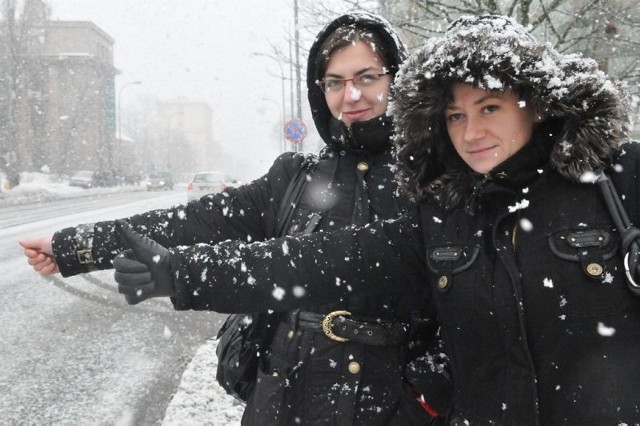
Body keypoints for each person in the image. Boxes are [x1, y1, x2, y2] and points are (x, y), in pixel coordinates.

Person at [111, 14, 640, 424]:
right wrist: (179, 273)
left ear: (535, 103)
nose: (470, 132)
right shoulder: (445, 214)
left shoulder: (618, 182)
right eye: (455, 115)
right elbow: (317, 264)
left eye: (490, 107)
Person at [20, 12, 450, 425]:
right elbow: (194, 222)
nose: (350, 95)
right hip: (287, 393)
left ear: (396, 78)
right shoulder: (296, 177)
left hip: (392, 402)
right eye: (335, 82)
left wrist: (427, 386)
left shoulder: (434, 175)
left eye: (366, 77)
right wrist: (75, 247)